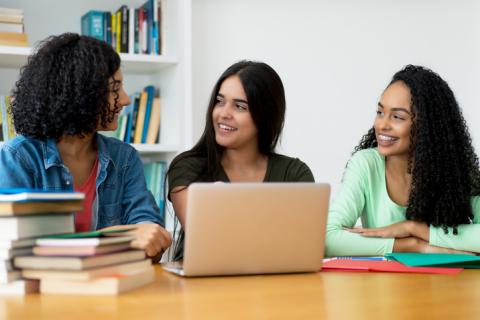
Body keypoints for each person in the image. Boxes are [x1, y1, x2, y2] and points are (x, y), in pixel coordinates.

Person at [0, 33, 171, 259]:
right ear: (80, 93)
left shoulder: (124, 158)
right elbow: (15, 250)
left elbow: (149, 235)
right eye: (115, 88)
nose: (126, 99)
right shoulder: (18, 158)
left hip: (115, 287)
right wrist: (112, 237)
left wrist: (147, 235)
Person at [326, 65, 480, 257]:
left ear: (427, 126)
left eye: (397, 117)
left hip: (449, 285)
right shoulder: (366, 164)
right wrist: (412, 245)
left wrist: (415, 228)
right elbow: (327, 239)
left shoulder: (455, 170)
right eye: (380, 112)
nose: (382, 125)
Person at [167, 60, 315, 260]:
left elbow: (302, 246)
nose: (223, 113)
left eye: (239, 106)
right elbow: (209, 241)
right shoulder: (188, 167)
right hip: (202, 287)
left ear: (265, 115)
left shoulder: (294, 173)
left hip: (274, 286)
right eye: (219, 101)